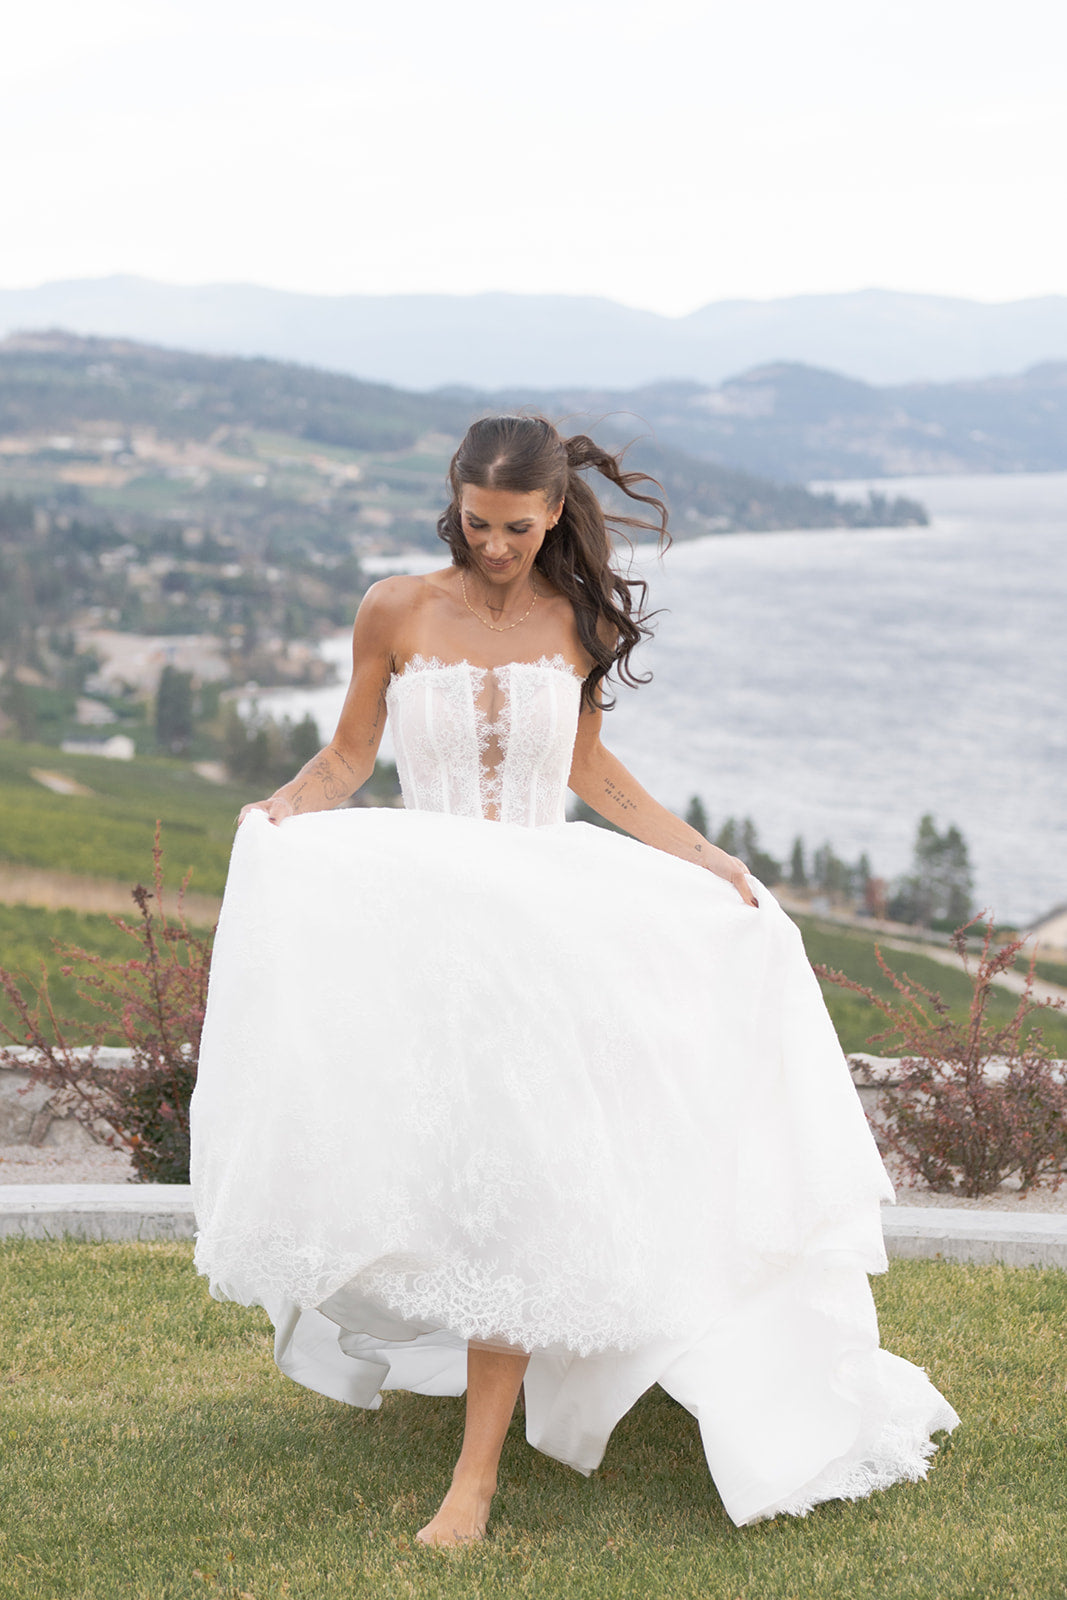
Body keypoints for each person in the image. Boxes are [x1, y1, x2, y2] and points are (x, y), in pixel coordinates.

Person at [189, 414, 959, 1549]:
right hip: (428, 925)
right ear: (451, 499)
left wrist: (705, 859)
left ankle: (477, 1477)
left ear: (552, 514)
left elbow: (587, 768)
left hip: (545, 939)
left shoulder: (577, 617)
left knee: (517, 1179)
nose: (492, 544)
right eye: (474, 521)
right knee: (438, 1167)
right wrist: (282, 809)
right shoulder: (393, 608)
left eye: (514, 526)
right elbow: (351, 755)